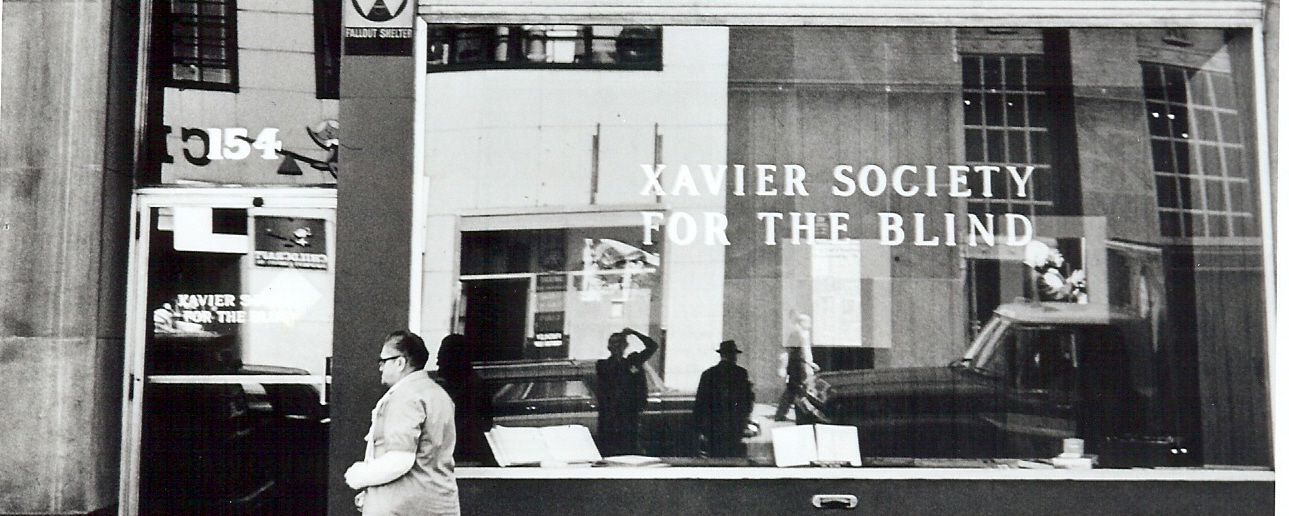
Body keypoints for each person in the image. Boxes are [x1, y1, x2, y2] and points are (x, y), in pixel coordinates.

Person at [345, 330, 460, 515]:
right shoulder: (438, 394)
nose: (380, 367)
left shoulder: (405, 397)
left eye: (383, 361)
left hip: (403, 508)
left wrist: (358, 476)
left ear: (400, 363)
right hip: (439, 503)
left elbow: (399, 460)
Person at [433, 333, 494, 466]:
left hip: (462, 459)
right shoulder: (474, 385)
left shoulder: (467, 392)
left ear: (455, 360)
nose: (438, 363)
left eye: (442, 358)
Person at [595, 327, 658, 456]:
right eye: (613, 343)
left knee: (629, 447)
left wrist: (634, 333)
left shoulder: (633, 361)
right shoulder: (603, 365)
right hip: (610, 415)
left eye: (619, 343)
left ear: (625, 345)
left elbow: (652, 346)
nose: (616, 346)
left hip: (629, 413)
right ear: (609, 347)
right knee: (609, 449)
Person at [694, 340, 754, 458]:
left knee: (715, 458)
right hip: (734, 425)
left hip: (713, 426)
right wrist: (745, 419)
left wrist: (699, 427)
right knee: (733, 458)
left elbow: (700, 402)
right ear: (733, 355)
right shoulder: (741, 373)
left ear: (722, 355)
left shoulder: (708, 374)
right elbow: (747, 400)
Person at [774, 312, 819, 422]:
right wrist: (784, 367)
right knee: (800, 391)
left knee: (793, 391)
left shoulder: (802, 333)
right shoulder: (797, 333)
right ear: (801, 322)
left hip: (800, 366)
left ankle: (781, 414)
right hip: (798, 367)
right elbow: (790, 352)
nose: (810, 325)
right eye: (808, 322)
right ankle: (806, 414)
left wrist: (810, 364)